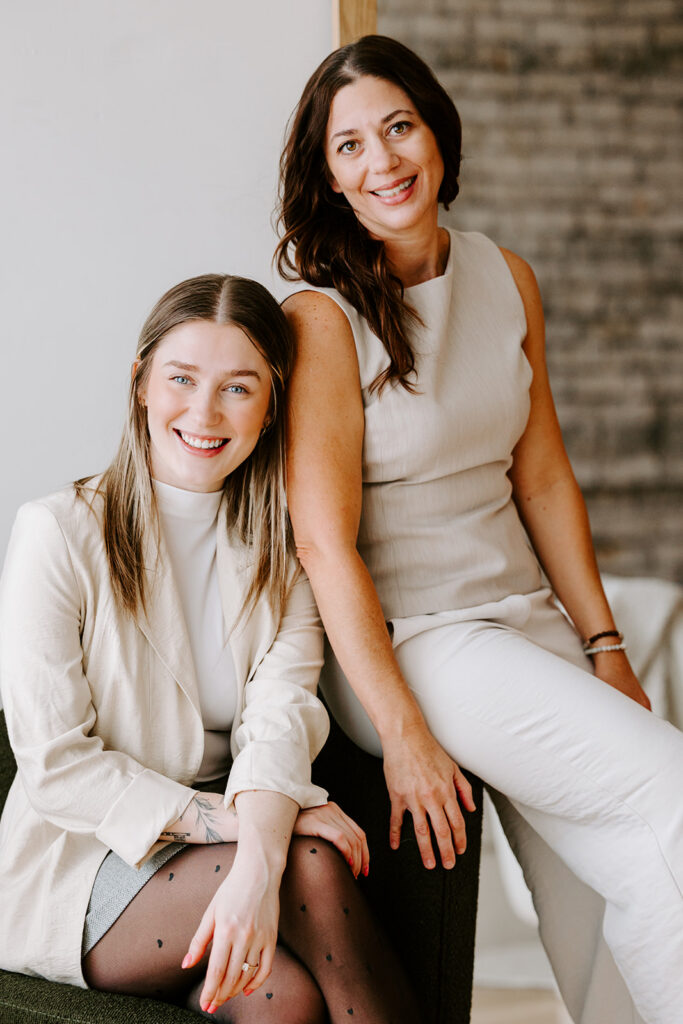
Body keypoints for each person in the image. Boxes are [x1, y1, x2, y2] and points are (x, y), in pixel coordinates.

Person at [275, 34, 683, 1024]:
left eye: (398, 127)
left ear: (437, 134)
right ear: (326, 180)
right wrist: (405, 728)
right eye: (350, 148)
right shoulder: (321, 321)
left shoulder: (505, 275)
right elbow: (321, 544)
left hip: (520, 620)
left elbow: (540, 479)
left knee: (603, 883)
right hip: (413, 644)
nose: (383, 162)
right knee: (669, 795)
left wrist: (603, 644)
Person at [0, 273, 419, 1023]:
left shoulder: (281, 553)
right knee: (311, 871)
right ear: (140, 385)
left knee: (280, 1002)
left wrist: (254, 851)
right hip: (77, 865)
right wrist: (259, 831)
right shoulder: (54, 532)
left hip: (215, 855)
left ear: (270, 405)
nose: (203, 411)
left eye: (237, 387)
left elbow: (280, 719)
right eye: (182, 379)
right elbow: (56, 767)